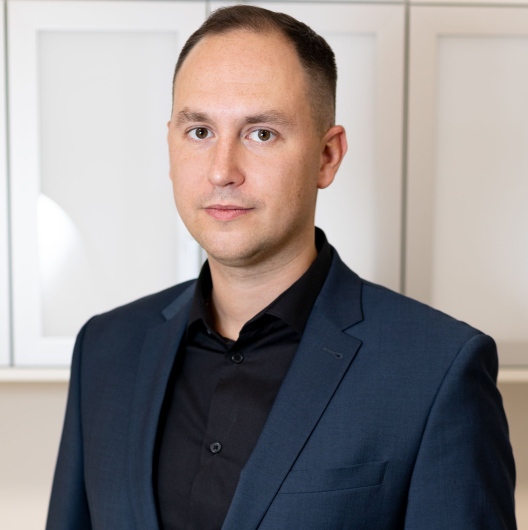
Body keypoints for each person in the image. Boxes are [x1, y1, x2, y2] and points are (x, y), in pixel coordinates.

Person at [46, 5, 516, 529]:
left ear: (327, 157)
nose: (222, 171)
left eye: (261, 133)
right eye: (199, 131)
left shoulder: (438, 370)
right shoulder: (105, 349)